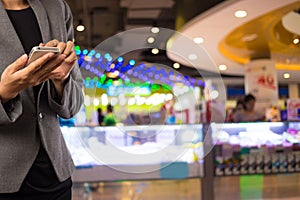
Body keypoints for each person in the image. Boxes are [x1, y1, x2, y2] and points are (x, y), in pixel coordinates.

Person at [0, 0, 84, 199]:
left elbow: (73, 106)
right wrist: (3, 93)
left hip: (55, 176)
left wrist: (62, 80)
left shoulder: (57, 7)